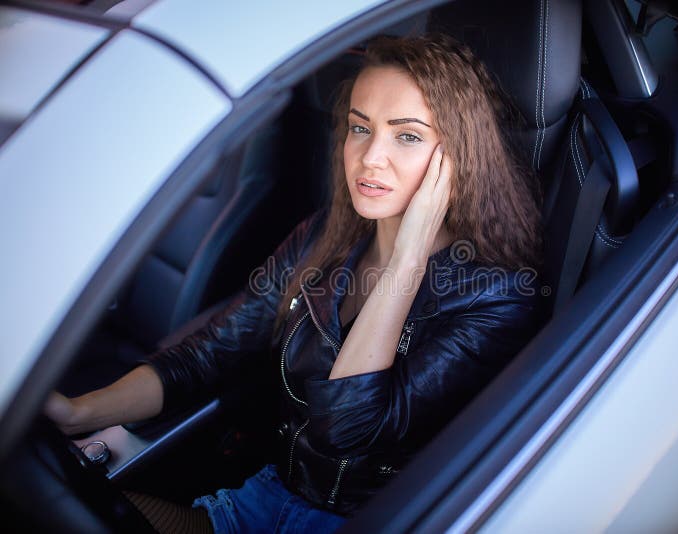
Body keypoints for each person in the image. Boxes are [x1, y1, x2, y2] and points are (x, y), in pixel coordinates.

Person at [44, 33, 544, 533]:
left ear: (455, 158)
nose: (370, 157)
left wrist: (407, 260)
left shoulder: (494, 296)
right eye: (359, 128)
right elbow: (210, 351)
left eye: (407, 135)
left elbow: (345, 432)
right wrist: (77, 412)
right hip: (268, 495)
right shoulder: (323, 237)